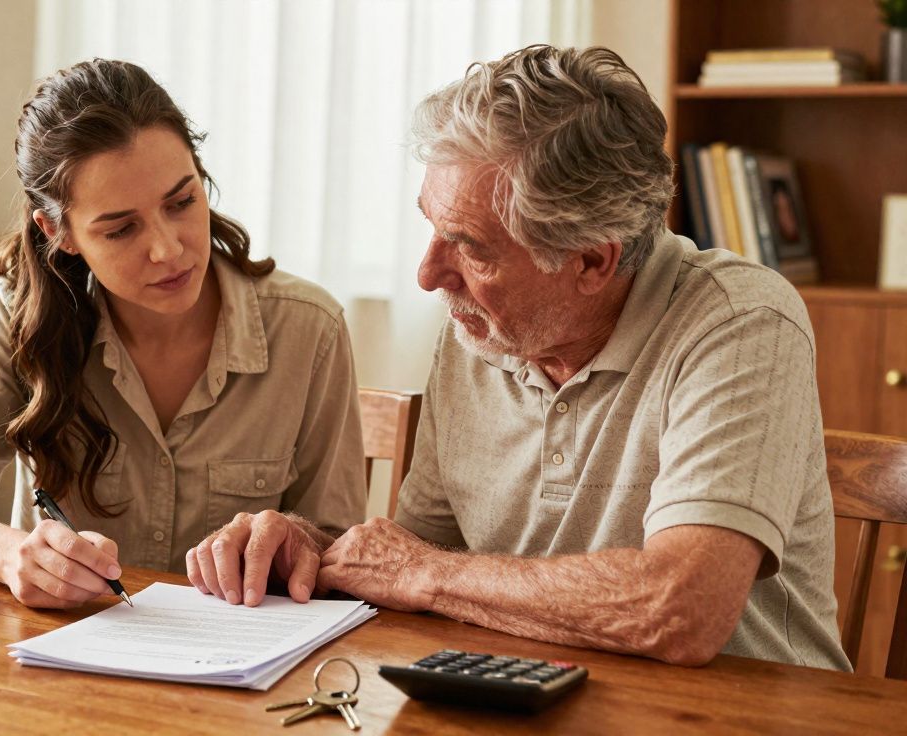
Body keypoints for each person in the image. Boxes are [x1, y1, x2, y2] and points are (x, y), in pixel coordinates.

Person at [313, 45, 851, 671]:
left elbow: (682, 609)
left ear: (593, 260)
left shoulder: (741, 321)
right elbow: (416, 560)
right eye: (432, 227)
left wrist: (421, 571)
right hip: (530, 697)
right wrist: (314, 553)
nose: (430, 275)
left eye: (470, 247)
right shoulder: (482, 328)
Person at [0, 59, 366, 609]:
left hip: (244, 674)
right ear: (58, 232)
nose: (167, 249)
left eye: (182, 202)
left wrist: (295, 537)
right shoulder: (18, 316)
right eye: (120, 228)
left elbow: (339, 545)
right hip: (58, 665)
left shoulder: (309, 328)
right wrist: (14, 556)